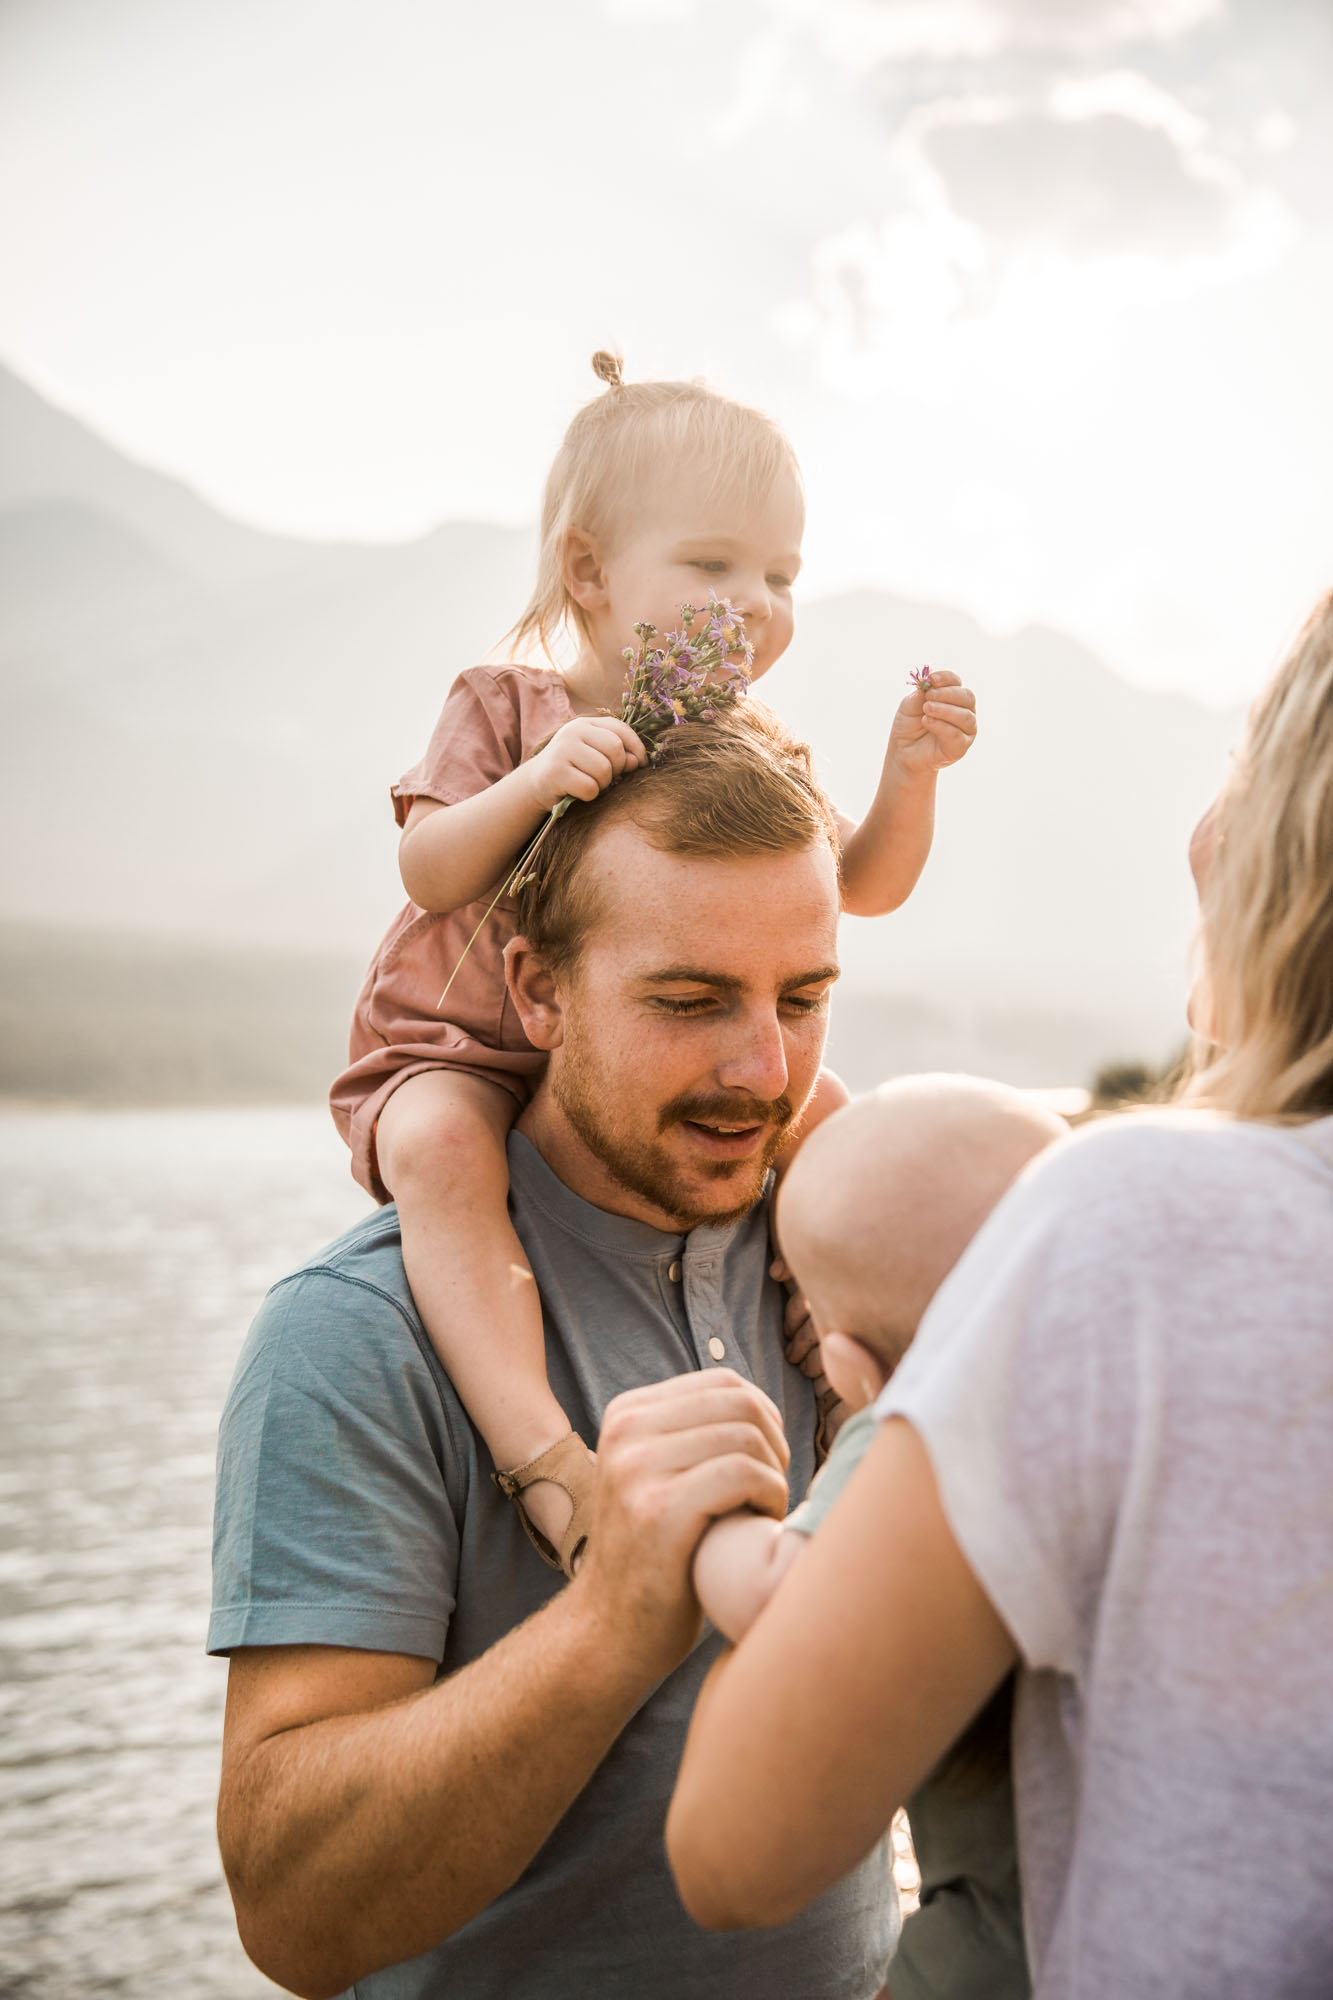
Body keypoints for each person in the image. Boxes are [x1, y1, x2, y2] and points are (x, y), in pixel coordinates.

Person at [665, 592, 1333, 1999]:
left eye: (1237, 775)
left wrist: (704, 1530)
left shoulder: (1139, 1230)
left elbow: (734, 1849)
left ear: (1278, 847)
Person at [211, 711, 899, 2000]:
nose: (765, 1068)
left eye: (804, 999)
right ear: (535, 989)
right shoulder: (356, 1334)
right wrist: (610, 1622)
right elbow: (292, 1915)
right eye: (690, 1000)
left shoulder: (853, 1274)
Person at [329, 349, 978, 1575]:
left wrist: (908, 774)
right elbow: (428, 871)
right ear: (588, 570)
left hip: (636, 1074)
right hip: (462, 1041)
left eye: (780, 574)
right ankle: (541, 1453)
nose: (756, 601)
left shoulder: (747, 739)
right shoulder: (510, 705)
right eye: (714, 564)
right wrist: (537, 778)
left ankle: (832, 1336)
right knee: (439, 1152)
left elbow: (860, 887)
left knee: (828, 1113)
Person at [693, 1073, 1066, 2000]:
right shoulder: (1122, 1406)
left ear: (847, 1364)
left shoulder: (920, 1427)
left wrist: (718, 1532)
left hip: (1000, 1952)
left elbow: (775, 1590)